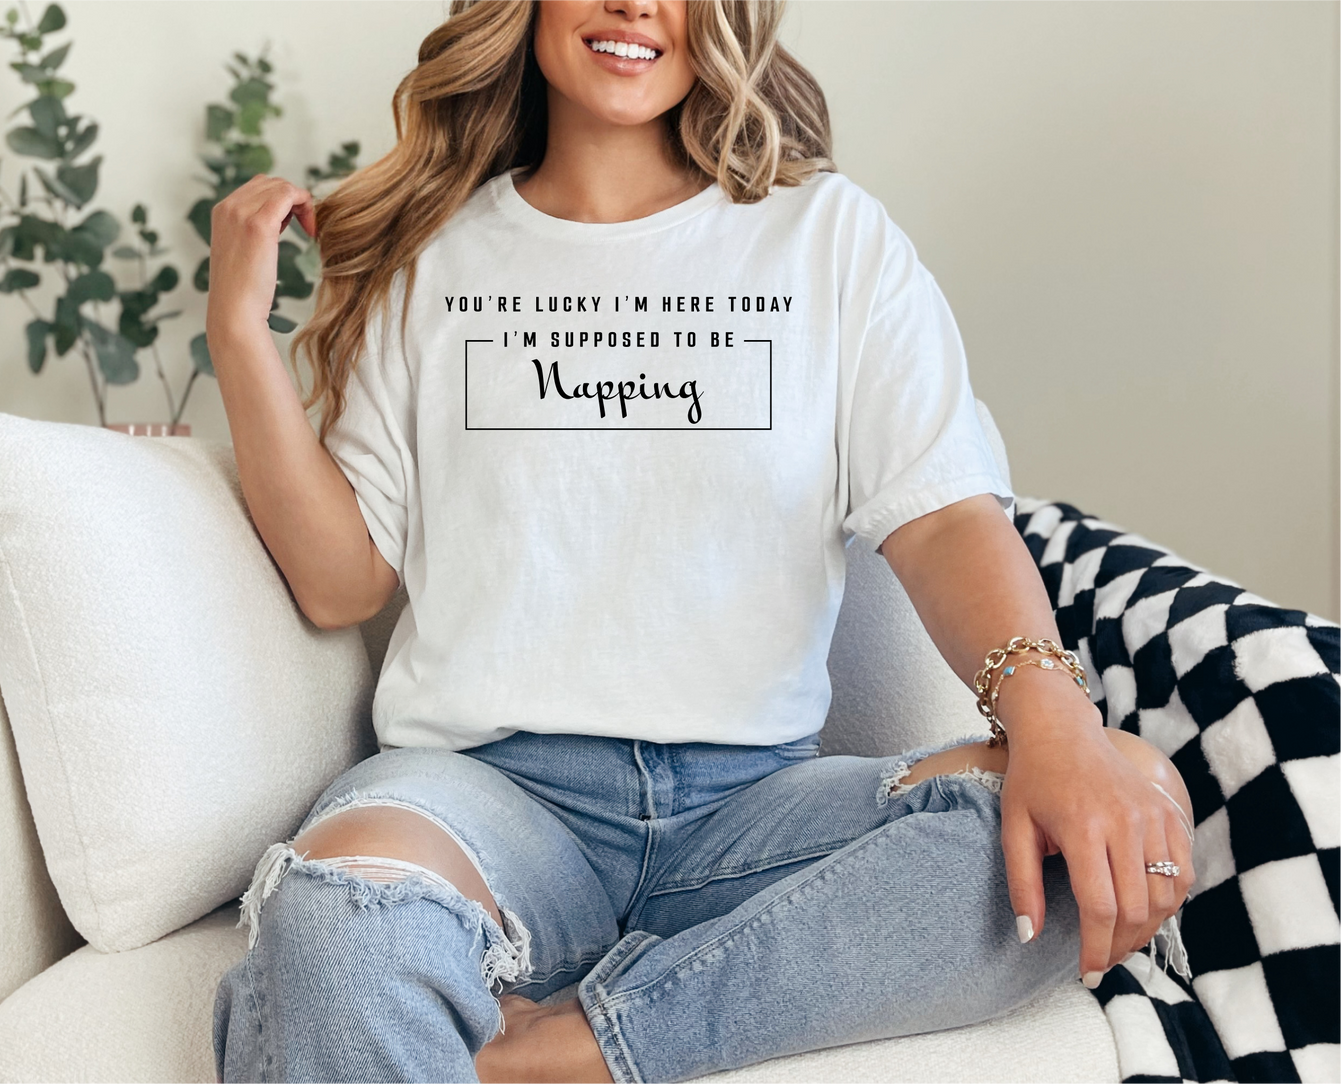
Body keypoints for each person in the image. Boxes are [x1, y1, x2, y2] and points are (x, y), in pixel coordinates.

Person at [205, 0, 1197, 1081]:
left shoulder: (829, 239)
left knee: (1123, 800)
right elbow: (339, 581)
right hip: (484, 798)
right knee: (338, 923)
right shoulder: (433, 258)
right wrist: (238, 336)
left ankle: (556, 1051)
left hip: (749, 817)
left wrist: (1050, 719)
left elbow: (945, 517)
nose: (638, 6)